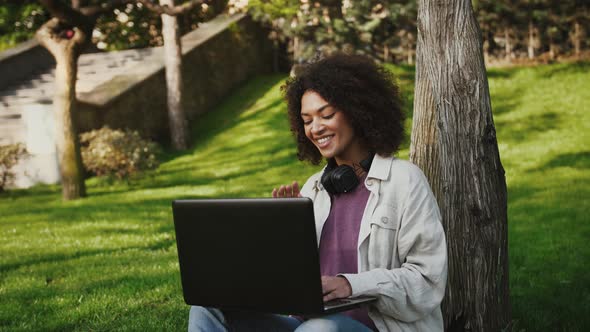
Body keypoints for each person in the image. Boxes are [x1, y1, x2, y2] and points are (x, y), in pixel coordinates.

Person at [188, 53, 447, 332]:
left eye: (326, 115)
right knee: (208, 307)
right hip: (305, 326)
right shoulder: (313, 188)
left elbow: (426, 279)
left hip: (376, 327)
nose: (316, 128)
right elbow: (291, 284)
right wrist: (283, 240)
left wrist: (350, 284)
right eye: (307, 120)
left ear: (357, 111)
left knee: (320, 329)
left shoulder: (404, 181)